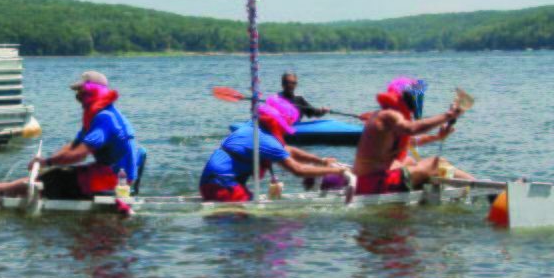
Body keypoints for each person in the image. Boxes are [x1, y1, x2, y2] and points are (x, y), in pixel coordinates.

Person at [0, 71, 145, 199]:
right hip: (110, 174)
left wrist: (48, 163)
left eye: (81, 92)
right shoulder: (97, 115)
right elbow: (73, 146)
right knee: (54, 174)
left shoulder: (105, 119)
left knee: (54, 178)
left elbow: (79, 154)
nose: (78, 97)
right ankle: (3, 191)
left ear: (93, 93)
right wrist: (46, 160)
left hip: (114, 181)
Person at [199, 95, 345, 202]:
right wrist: (339, 171)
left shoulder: (253, 127)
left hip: (209, 182)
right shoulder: (266, 140)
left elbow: (288, 150)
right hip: (222, 185)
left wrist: (321, 161)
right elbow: (298, 170)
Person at [352, 77, 474, 195]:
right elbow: (411, 129)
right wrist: (450, 114)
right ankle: (477, 186)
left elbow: (409, 141)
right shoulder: (388, 116)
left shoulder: (383, 117)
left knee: (409, 161)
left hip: (368, 181)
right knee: (436, 163)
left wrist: (437, 137)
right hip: (374, 183)